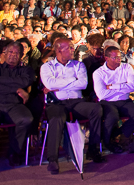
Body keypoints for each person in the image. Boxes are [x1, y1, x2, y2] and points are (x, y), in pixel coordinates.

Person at [40, 37, 104, 174]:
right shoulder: (47, 67)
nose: (72, 49)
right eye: (69, 47)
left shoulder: (78, 65)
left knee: (96, 109)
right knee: (56, 119)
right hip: (56, 103)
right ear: (58, 50)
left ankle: (93, 149)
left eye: (72, 47)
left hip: (76, 102)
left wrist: (58, 85)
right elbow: (49, 84)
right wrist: (72, 80)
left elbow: (83, 84)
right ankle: (53, 160)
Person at [94, 46, 134, 156]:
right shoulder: (98, 73)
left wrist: (112, 87)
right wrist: (123, 88)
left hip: (124, 100)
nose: (119, 59)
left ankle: (117, 133)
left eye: (120, 57)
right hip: (107, 102)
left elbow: (133, 86)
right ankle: (107, 142)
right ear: (107, 58)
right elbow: (101, 94)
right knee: (112, 116)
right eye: (115, 57)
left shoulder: (127, 67)